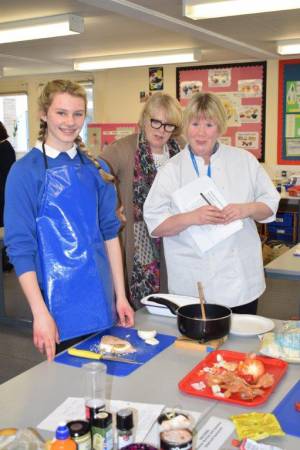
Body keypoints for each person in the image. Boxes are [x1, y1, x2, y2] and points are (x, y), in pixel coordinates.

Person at [4, 79, 134, 361]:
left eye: (77, 113)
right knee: (69, 385)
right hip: (55, 303)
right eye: (61, 112)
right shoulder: (25, 172)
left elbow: (110, 235)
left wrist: (120, 296)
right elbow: (20, 249)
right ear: (43, 114)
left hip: (102, 297)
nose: (70, 121)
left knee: (109, 375)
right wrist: (40, 313)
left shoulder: (96, 169)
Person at [144, 92, 280, 315]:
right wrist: (192, 218)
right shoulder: (171, 170)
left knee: (241, 344)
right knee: (196, 347)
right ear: (186, 126)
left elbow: (270, 203)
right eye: (195, 123)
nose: (200, 132)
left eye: (209, 124)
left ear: (220, 127)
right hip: (192, 281)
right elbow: (156, 225)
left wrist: (245, 209)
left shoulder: (243, 160)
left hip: (239, 279)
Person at [102, 93, 183, 309]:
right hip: (139, 239)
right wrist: (112, 207)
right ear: (144, 119)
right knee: (144, 305)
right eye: (155, 122)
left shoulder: (181, 148)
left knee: (176, 294)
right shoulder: (123, 149)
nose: (161, 130)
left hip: (176, 235)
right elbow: (95, 178)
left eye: (168, 125)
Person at [0, 121, 16, 271]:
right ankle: (5, 260)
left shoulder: (3, 148)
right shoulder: (8, 147)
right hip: (6, 191)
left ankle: (5, 261)